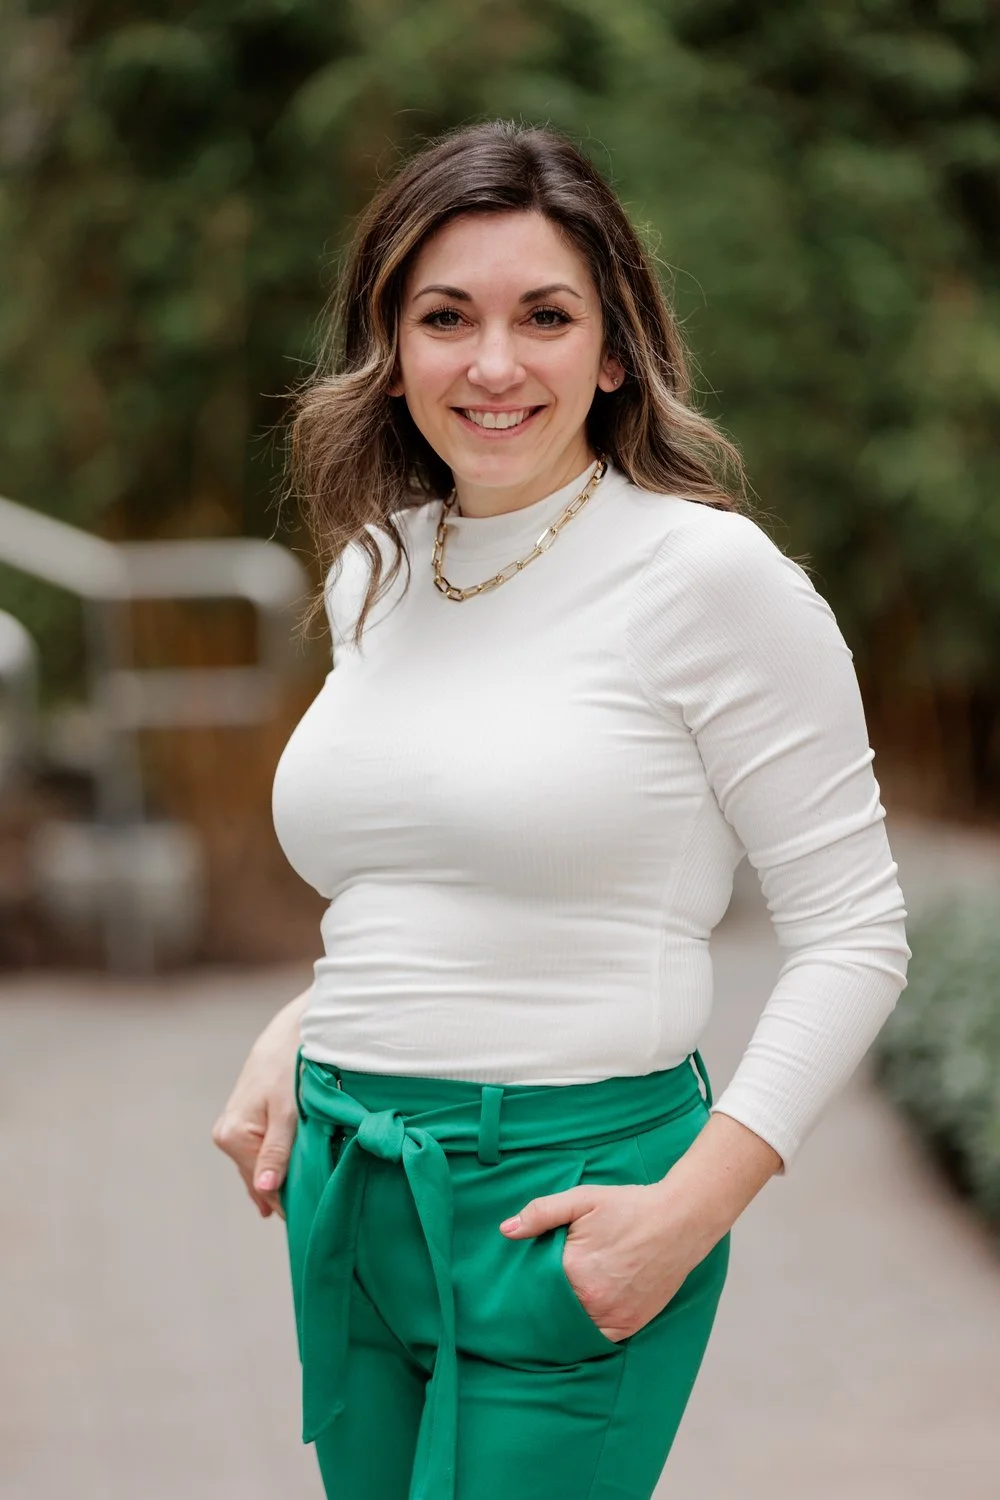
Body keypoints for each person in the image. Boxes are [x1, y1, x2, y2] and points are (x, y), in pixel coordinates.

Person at [212, 119, 910, 1500]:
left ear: (612, 350)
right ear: (390, 346)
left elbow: (857, 932)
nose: (491, 363)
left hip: (566, 1206)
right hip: (351, 1189)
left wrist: (690, 1213)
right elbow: (423, 862)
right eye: (444, 317)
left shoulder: (710, 577)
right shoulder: (381, 568)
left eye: (544, 316)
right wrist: (308, 1020)